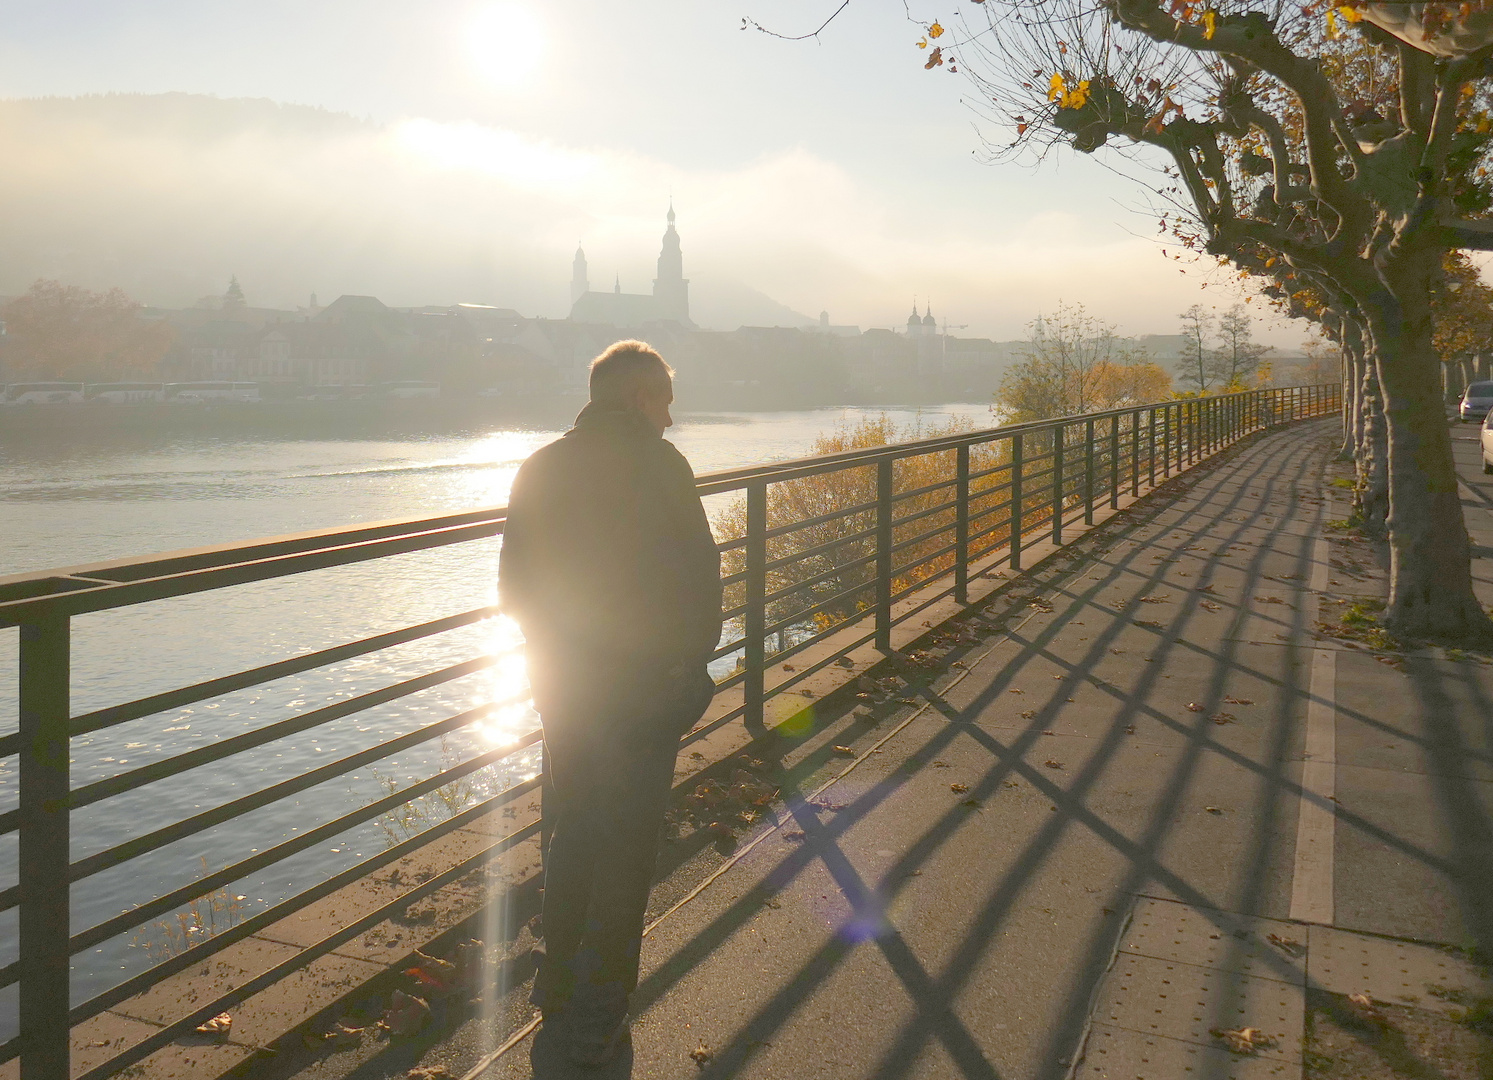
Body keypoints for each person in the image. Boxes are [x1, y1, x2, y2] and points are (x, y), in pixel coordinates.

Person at [499, 340, 722, 1066]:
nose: (669, 419)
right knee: (626, 850)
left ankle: (556, 986)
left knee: (572, 831)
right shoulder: (661, 467)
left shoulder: (540, 467)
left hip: (564, 689)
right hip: (643, 695)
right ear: (636, 398)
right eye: (663, 402)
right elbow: (700, 580)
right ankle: (599, 1012)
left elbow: (513, 591)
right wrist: (687, 678)